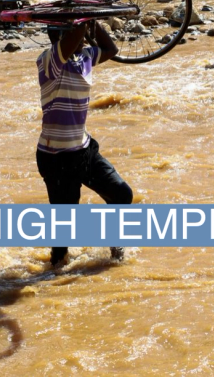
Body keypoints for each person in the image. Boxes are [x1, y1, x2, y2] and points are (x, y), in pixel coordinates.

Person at [36, 21, 132, 266]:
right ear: (61, 37)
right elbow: (74, 34)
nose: (83, 38)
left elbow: (111, 50)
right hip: (56, 156)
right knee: (63, 232)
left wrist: (94, 21)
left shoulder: (84, 57)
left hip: (83, 148)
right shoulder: (50, 61)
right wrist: (83, 16)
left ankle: (116, 255)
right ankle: (54, 273)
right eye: (75, 34)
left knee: (121, 194)